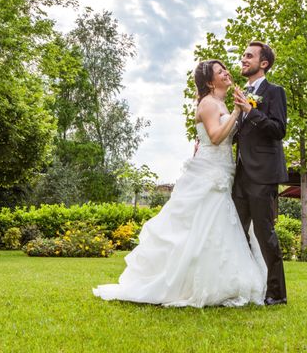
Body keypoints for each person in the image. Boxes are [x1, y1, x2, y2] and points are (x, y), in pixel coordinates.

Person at [93, 60, 266, 307]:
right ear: (209, 81)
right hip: (208, 171)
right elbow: (216, 137)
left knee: (217, 226)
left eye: (224, 69)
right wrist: (239, 112)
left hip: (222, 169)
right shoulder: (208, 103)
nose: (226, 72)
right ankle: (187, 282)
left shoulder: (220, 103)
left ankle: (220, 280)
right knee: (201, 223)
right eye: (220, 71)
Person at [233, 41, 288, 306]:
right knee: (235, 232)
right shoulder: (242, 92)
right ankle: (245, 285)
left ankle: (277, 294)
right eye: (243, 55)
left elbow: (278, 130)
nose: (243, 59)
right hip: (240, 174)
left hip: (263, 175)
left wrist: (251, 111)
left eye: (248, 56)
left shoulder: (275, 92)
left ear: (263, 63)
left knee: (265, 234)